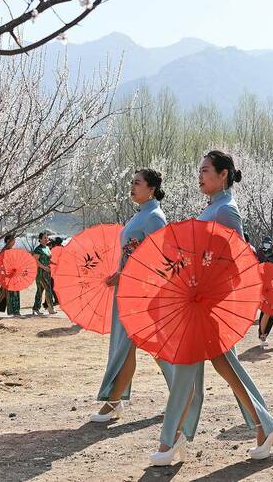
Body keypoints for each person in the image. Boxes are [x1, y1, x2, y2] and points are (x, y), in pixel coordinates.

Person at [152, 151, 273, 466]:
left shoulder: (227, 211)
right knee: (217, 368)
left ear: (223, 174)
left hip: (207, 305)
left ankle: (171, 440)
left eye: (206, 170)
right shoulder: (212, 208)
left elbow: (238, 264)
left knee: (208, 368)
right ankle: (264, 426)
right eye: (199, 170)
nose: (200, 176)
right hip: (196, 302)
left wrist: (208, 284)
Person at [91, 169, 172, 422]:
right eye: (132, 182)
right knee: (143, 347)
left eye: (137, 183)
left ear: (151, 188)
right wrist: (120, 273)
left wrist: (126, 276)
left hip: (143, 294)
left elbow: (162, 258)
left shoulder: (155, 217)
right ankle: (181, 394)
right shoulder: (141, 215)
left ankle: (114, 402)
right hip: (128, 291)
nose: (132, 186)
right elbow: (134, 256)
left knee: (136, 346)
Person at [0, 235, 21, 316]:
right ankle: (13, 311)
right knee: (5, 293)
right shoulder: (4, 251)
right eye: (12, 240)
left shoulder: (13, 251)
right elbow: (0, 264)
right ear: (8, 241)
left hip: (14, 274)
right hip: (7, 275)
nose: (14, 241)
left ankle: (15, 310)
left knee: (7, 292)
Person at [31, 232, 55, 316]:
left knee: (40, 291)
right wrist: (44, 267)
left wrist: (53, 264)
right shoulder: (38, 249)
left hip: (48, 273)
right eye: (44, 238)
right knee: (48, 289)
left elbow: (49, 259)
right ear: (40, 239)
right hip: (41, 273)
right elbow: (35, 261)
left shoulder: (47, 248)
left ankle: (35, 308)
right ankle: (50, 308)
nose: (46, 239)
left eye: (47, 238)